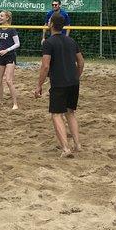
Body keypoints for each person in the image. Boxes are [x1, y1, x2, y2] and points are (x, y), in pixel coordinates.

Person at [35, 12, 85, 157]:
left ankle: (66, 149)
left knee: (56, 115)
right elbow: (81, 62)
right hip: (73, 82)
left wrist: (39, 85)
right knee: (70, 113)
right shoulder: (71, 41)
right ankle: (77, 145)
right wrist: (76, 76)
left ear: (51, 24)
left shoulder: (48, 43)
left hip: (59, 83)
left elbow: (45, 66)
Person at [0, 10, 19, 110]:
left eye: (1, 16)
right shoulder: (0, 30)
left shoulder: (12, 30)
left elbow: (17, 44)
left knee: (8, 81)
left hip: (10, 56)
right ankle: (0, 101)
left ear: (7, 18)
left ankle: (15, 104)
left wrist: (6, 50)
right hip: (1, 56)